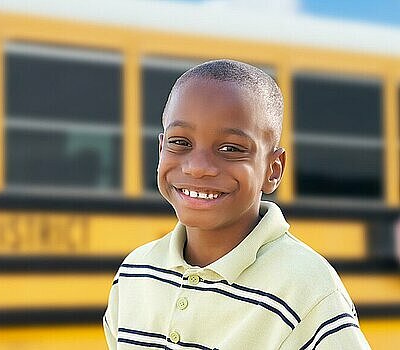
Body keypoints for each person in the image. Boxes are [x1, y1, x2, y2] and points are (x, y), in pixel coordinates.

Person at [103, 59, 371, 349]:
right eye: (180, 142)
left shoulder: (307, 288)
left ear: (273, 169)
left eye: (231, 149)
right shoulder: (135, 272)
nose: (197, 167)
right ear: (160, 149)